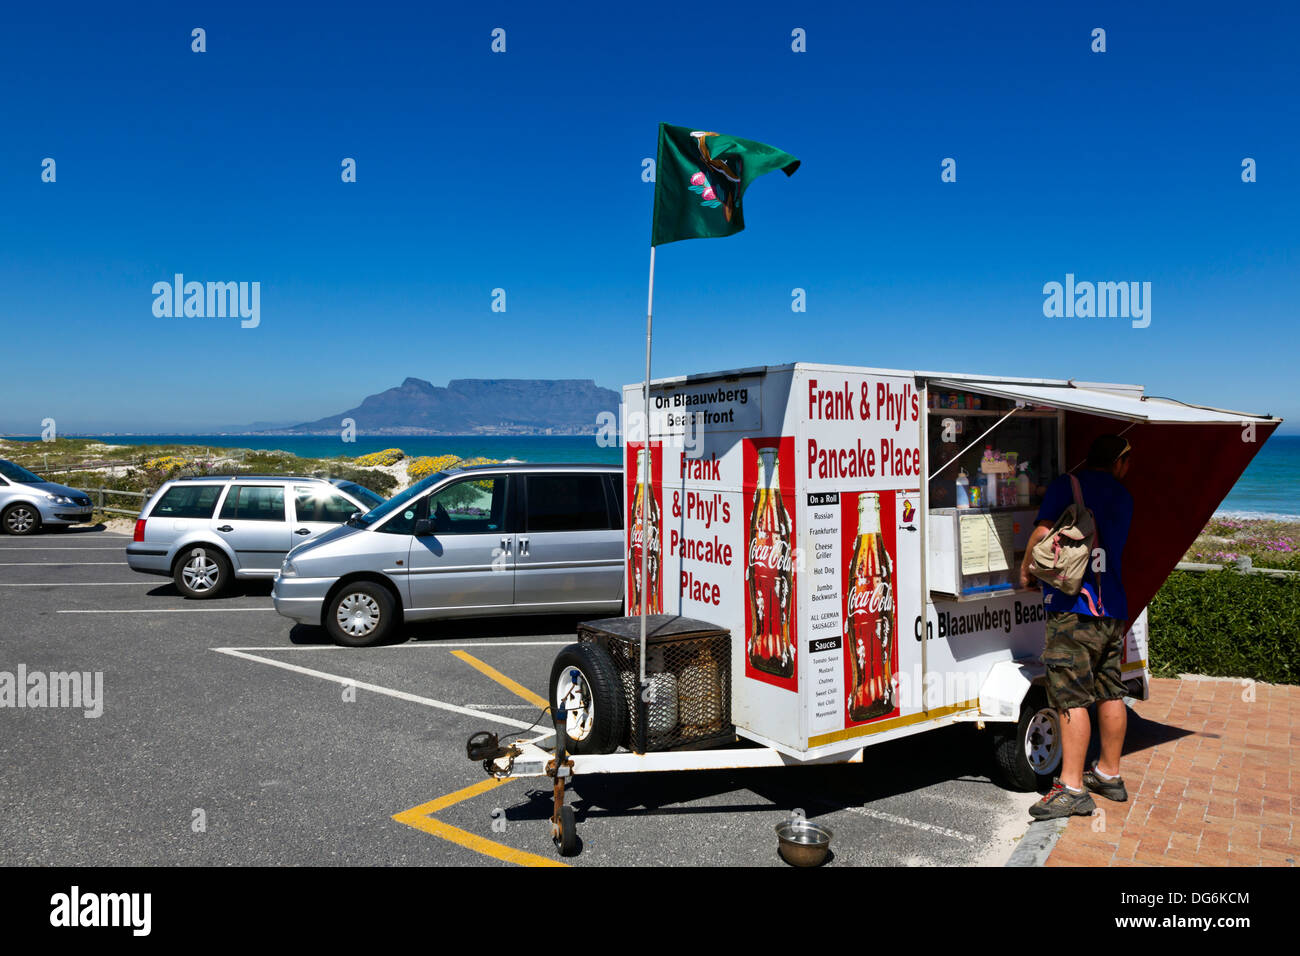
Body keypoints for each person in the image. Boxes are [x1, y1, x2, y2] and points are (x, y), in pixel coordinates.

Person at [1020, 434, 1134, 819]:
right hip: (1112, 608)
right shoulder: (1124, 496)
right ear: (1118, 463)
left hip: (1074, 607)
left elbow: (1042, 533)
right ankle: (1109, 774)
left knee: (1070, 697)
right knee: (1110, 689)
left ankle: (1071, 787)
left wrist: (1025, 571)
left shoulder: (1068, 486)